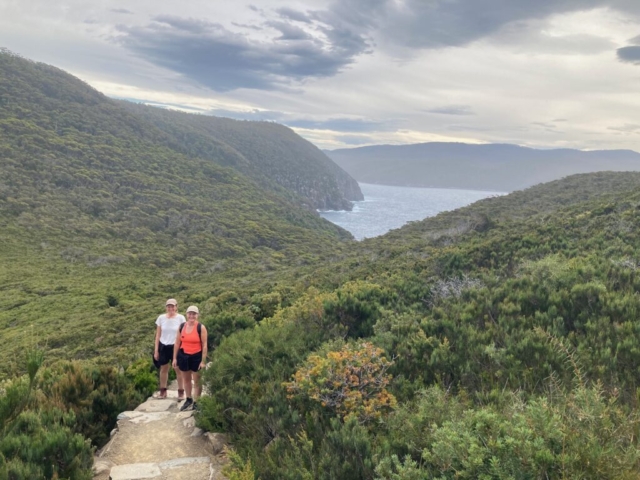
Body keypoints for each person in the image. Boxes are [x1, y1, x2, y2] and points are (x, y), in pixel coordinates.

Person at [173, 305, 208, 411]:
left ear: (197, 315)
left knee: (197, 380)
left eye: (194, 314)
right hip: (184, 356)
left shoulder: (201, 327)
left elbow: (205, 344)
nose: (191, 316)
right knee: (186, 379)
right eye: (190, 313)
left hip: (196, 356)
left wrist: (203, 361)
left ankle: (197, 402)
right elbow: (177, 343)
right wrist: (174, 358)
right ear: (187, 314)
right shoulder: (181, 327)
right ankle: (189, 399)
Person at [154, 298, 186, 399]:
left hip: (176, 345)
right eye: (168, 306)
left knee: (178, 369)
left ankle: (181, 392)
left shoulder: (181, 318)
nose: (170, 308)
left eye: (172, 306)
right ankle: (163, 391)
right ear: (166, 307)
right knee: (163, 368)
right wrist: (156, 350)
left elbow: (183, 333)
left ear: (176, 307)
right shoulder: (161, 318)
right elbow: (158, 335)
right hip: (163, 345)